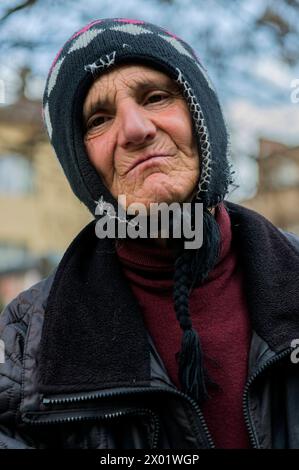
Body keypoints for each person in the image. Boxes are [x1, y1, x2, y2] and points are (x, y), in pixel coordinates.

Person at [0, 17, 299, 450]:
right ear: (82, 167)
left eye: (156, 97)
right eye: (98, 119)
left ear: (204, 122)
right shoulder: (26, 344)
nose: (136, 129)